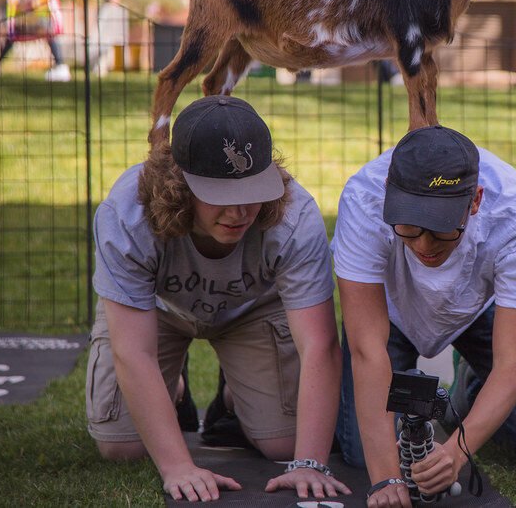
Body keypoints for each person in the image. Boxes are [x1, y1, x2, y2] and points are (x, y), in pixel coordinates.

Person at [86, 95, 350, 503]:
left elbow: (319, 345)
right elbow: (133, 353)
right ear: (178, 184)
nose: (240, 211)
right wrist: (177, 466)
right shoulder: (126, 214)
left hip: (252, 312)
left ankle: (233, 395)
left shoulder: (295, 215)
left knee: (284, 445)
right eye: (220, 195)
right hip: (155, 314)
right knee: (122, 447)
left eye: (252, 190)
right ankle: (172, 385)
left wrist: (309, 462)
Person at [332, 125, 516, 507]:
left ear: (475, 201)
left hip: (478, 309)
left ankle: (468, 387)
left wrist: (455, 452)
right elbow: (366, 347)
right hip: (390, 312)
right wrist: (385, 479)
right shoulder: (364, 198)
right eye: (409, 229)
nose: (424, 246)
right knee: (363, 456)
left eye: (443, 230)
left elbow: (512, 364)